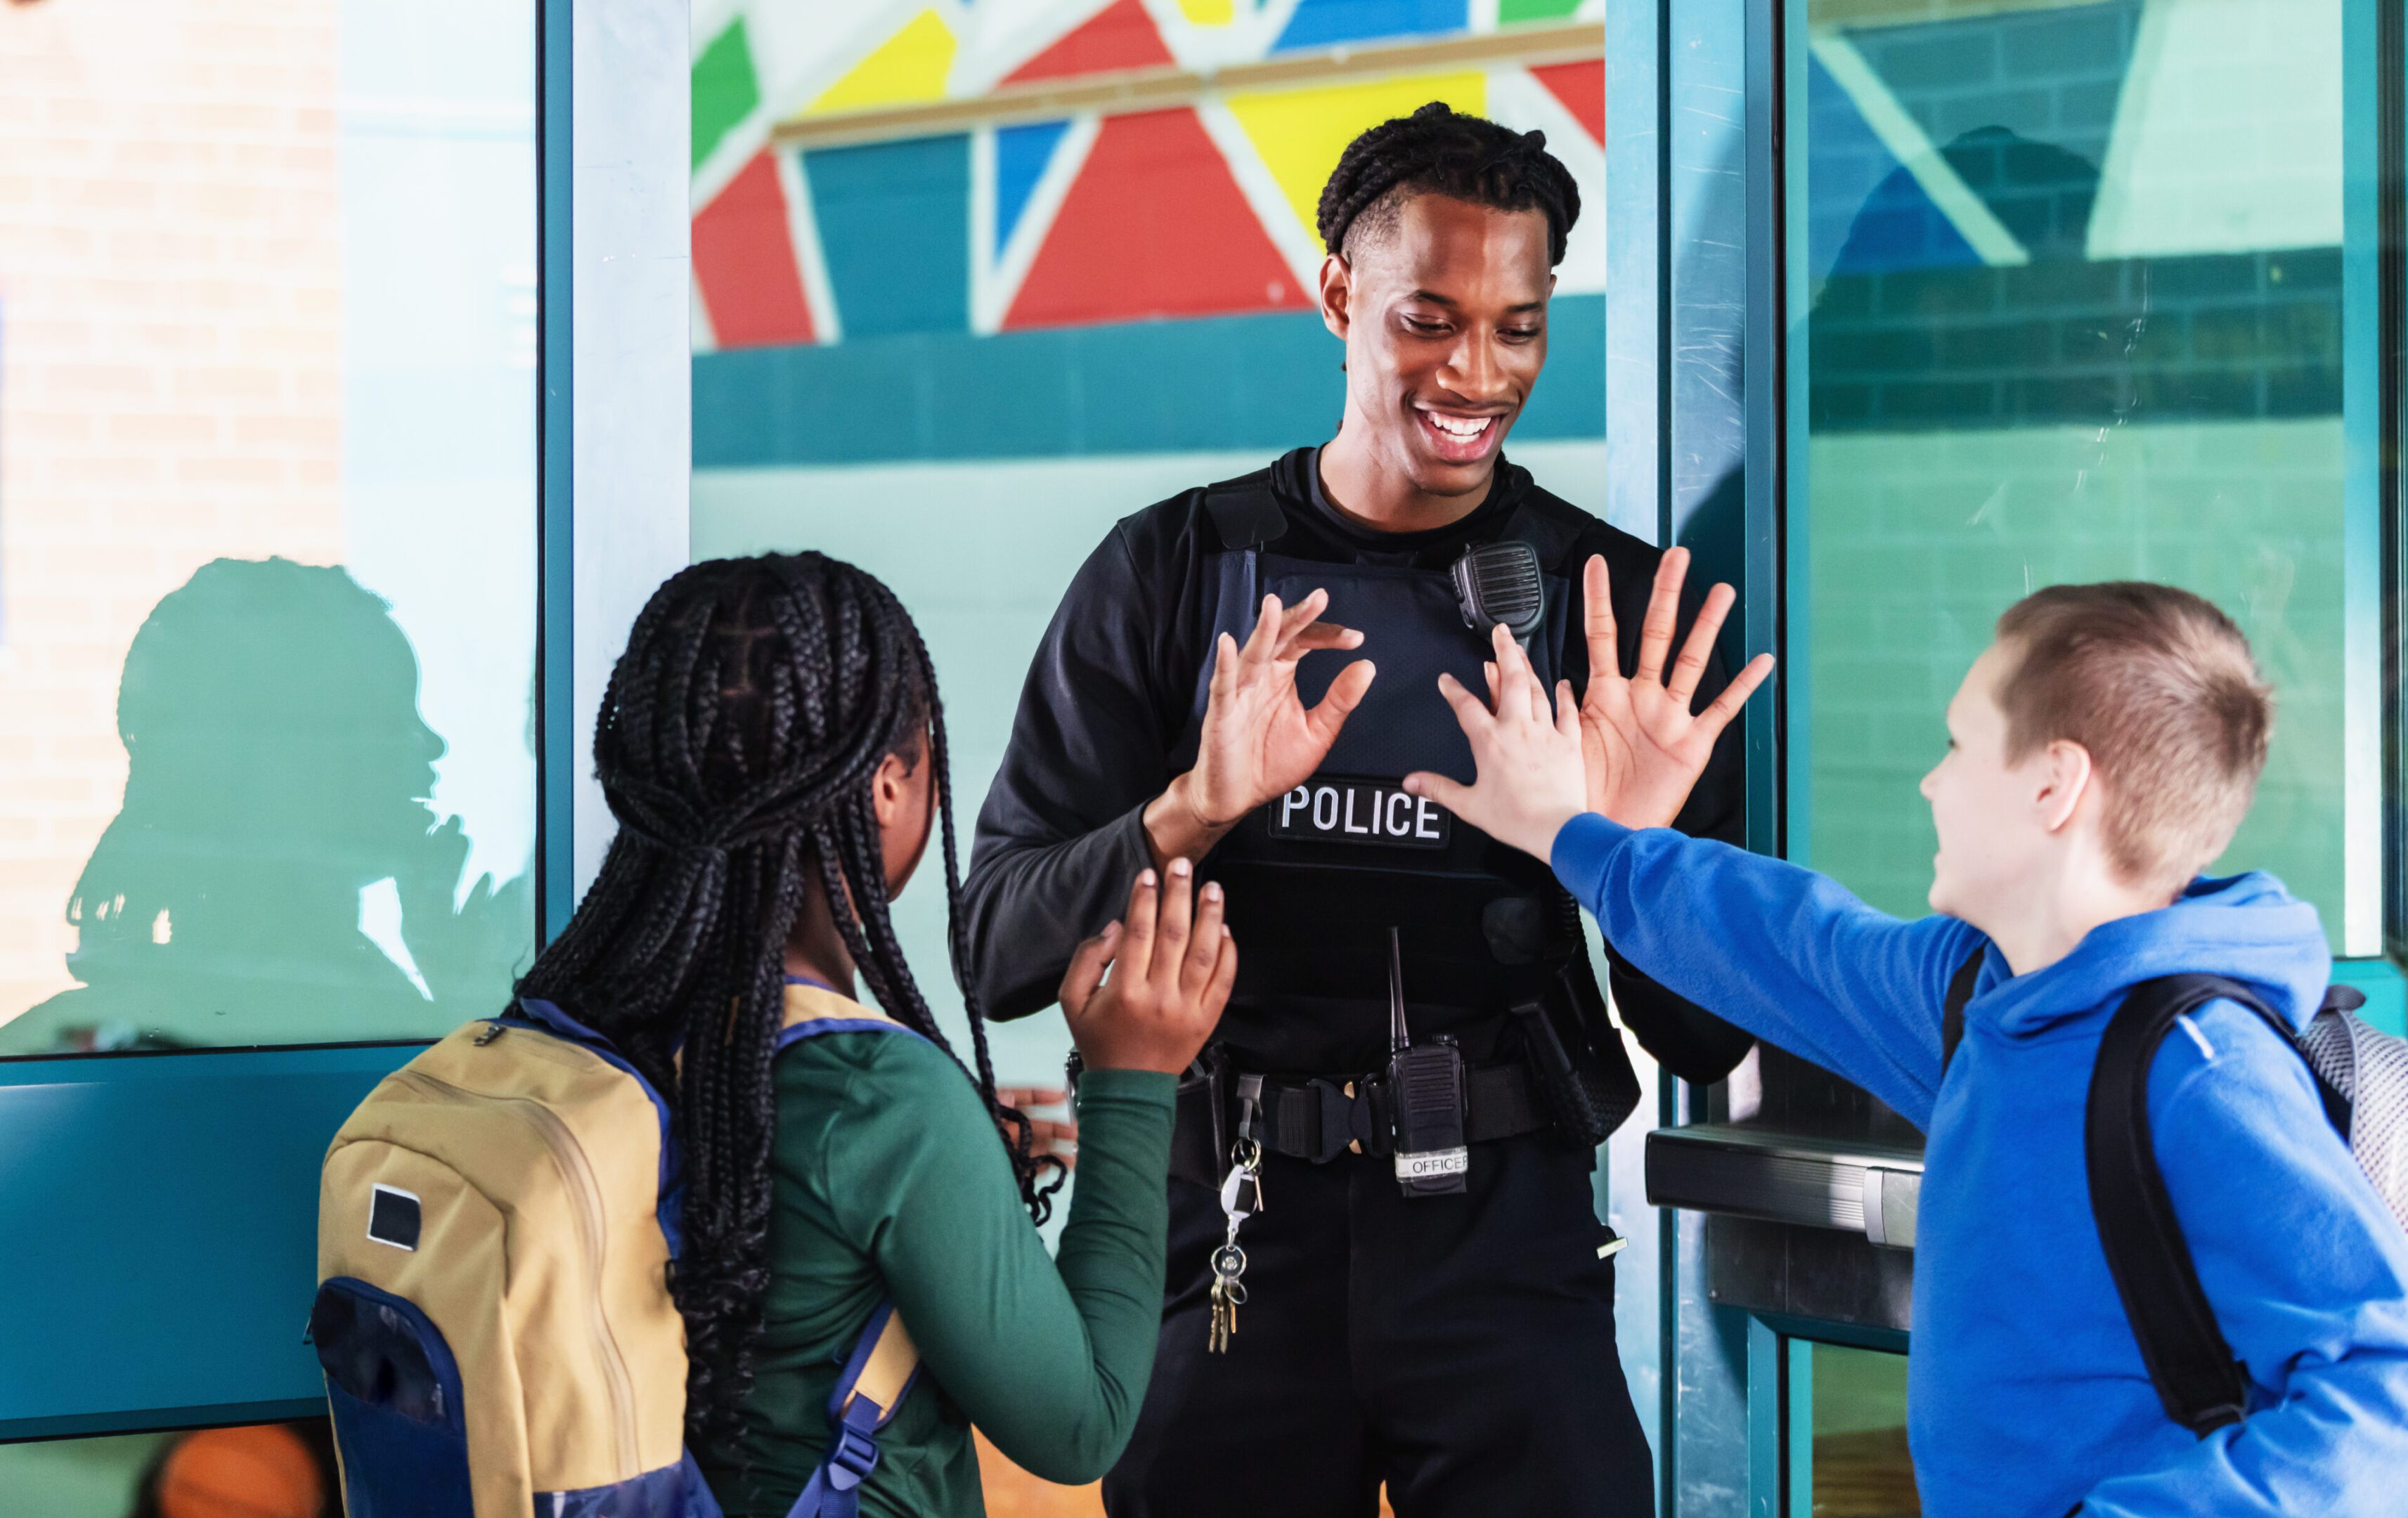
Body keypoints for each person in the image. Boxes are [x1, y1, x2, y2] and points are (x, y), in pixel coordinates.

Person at [963, 105, 1756, 1517]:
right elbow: (999, 952)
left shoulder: (1613, 616)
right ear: (1337, 294)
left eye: (1519, 327)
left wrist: (1618, 854)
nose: (1476, 372)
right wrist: (1193, 805)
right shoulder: (1171, 574)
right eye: (1430, 319)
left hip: (1506, 1247)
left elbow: (1706, 1035)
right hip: (1226, 1231)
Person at [1411, 562, 2408, 1518]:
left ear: (2052, 786)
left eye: (1957, 747)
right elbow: (1782, 940)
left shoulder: (2200, 1073)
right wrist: (1567, 833)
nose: (1930, 785)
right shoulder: (1983, 992)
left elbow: (2379, 1397)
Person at [510, 554, 1234, 1518]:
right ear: (889, 786)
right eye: (927, 755)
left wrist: (946, 1161)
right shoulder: (876, 1099)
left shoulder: (586, 1026)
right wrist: (1133, 1081)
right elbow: (1080, 1427)